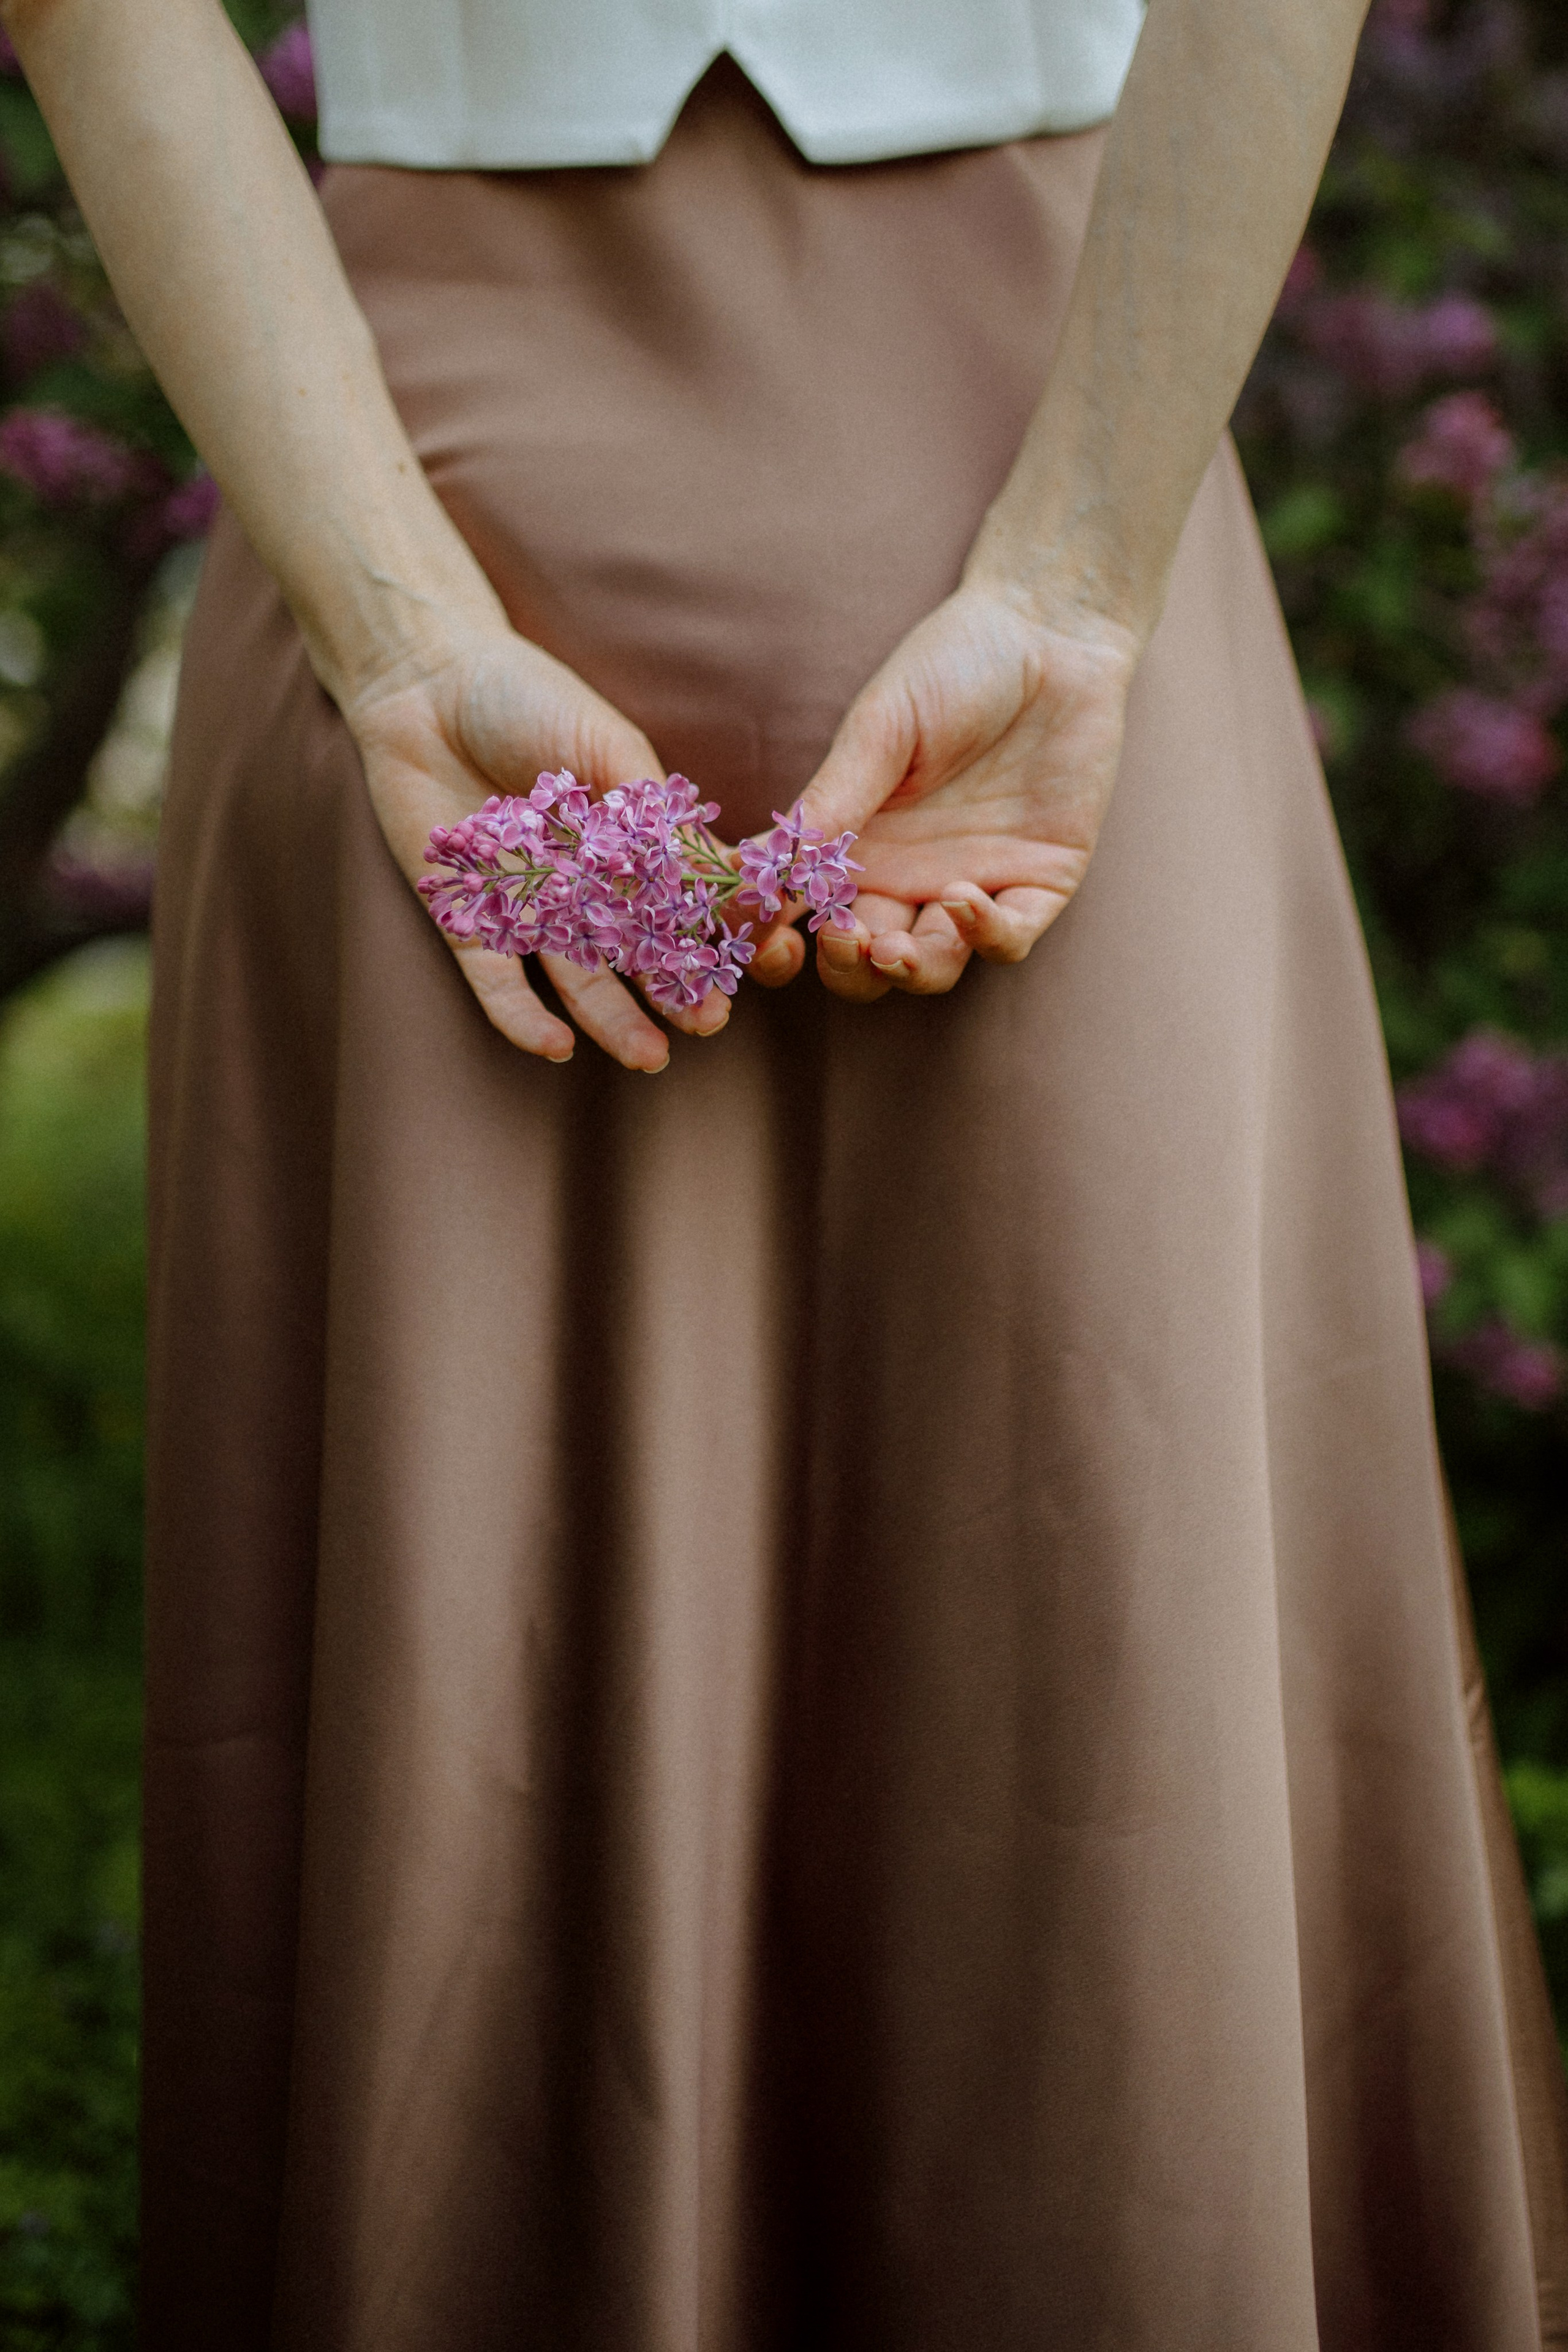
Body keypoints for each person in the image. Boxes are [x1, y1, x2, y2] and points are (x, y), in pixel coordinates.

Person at [7, 0, 1567, 2341]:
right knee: (1094, 1624)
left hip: (509, 495)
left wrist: (407, 631)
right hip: (964, 459)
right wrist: (1069, 576)